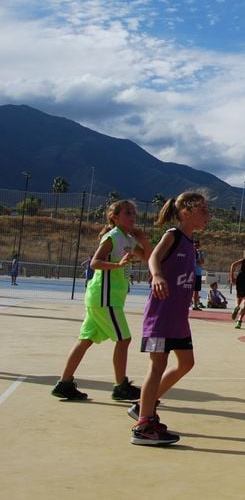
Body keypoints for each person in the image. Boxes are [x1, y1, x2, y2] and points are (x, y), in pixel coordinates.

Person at [130, 191, 210, 446]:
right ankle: (144, 426)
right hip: (161, 314)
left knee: (186, 363)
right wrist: (157, 276)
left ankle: (144, 404)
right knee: (158, 365)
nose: (208, 216)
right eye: (203, 211)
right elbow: (154, 257)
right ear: (186, 213)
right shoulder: (173, 235)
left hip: (178, 317)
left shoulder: (189, 242)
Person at [52, 200, 151, 402]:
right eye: (127, 213)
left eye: (134, 213)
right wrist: (118, 265)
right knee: (124, 339)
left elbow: (150, 259)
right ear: (114, 217)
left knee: (85, 340)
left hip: (104, 298)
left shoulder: (129, 239)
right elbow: (95, 263)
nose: (132, 216)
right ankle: (121, 386)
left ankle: (64, 384)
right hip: (105, 297)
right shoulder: (113, 237)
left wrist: (144, 241)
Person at [191, 240, 206, 311]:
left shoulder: (201, 253)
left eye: (197, 245)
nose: (196, 247)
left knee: (196, 290)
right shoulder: (190, 252)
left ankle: (195, 305)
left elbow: (202, 261)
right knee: (188, 289)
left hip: (198, 273)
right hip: (190, 273)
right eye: (195, 246)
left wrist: (198, 256)